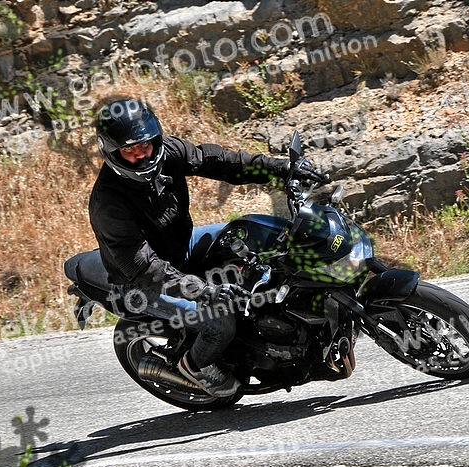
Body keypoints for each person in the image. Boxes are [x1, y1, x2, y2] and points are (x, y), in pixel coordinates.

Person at [89, 98, 321, 397]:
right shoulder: (109, 204)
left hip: (182, 246)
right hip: (141, 284)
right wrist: (204, 291)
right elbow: (145, 268)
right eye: (129, 150)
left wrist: (280, 168)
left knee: (255, 232)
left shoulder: (169, 152)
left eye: (145, 144)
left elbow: (220, 161)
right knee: (220, 320)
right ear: (111, 152)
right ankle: (194, 366)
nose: (141, 154)